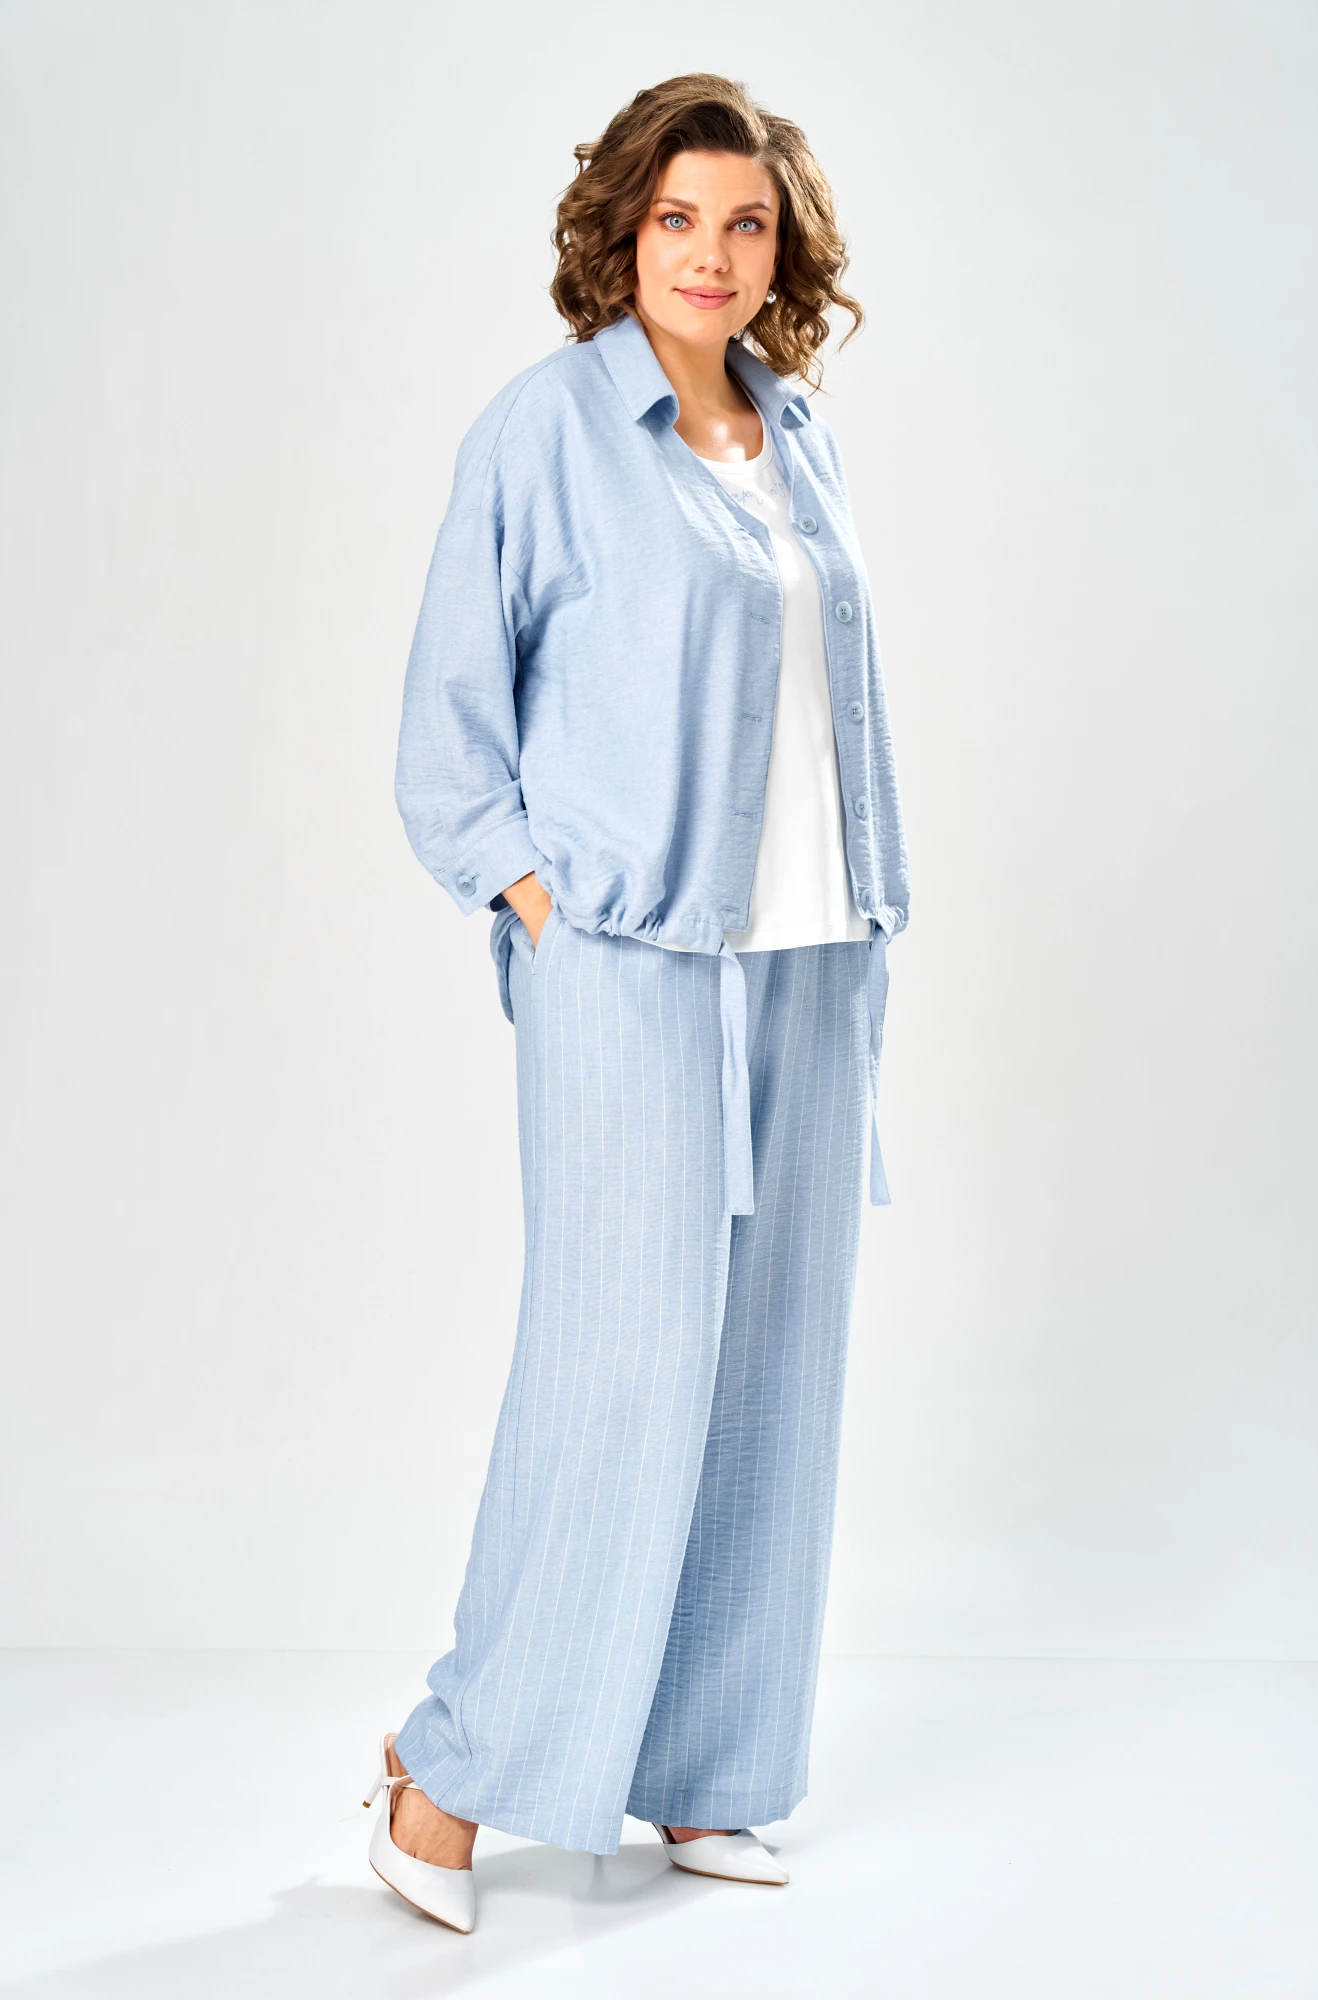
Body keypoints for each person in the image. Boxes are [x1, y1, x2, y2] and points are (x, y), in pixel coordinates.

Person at [365, 72, 909, 1934]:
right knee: (618, 1366)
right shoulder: (545, 432)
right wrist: (543, 909)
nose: (712, 253)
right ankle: (449, 1773)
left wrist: (858, 919)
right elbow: (450, 730)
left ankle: (711, 1769)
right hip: (629, 962)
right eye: (680, 218)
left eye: (746, 223)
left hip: (813, 959)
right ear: (624, 230)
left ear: (781, 250)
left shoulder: (798, 434)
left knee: (777, 1373)